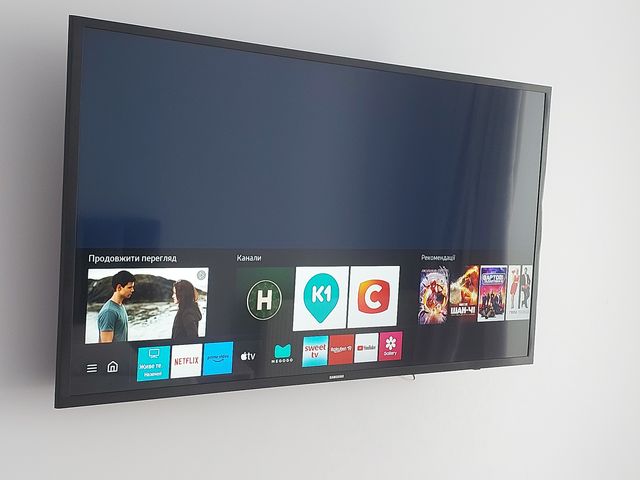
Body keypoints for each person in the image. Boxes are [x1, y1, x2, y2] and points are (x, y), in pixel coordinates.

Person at [97, 270, 135, 343]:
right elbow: (106, 346)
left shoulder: (121, 306)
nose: (132, 290)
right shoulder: (109, 312)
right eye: (129, 287)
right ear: (119, 287)